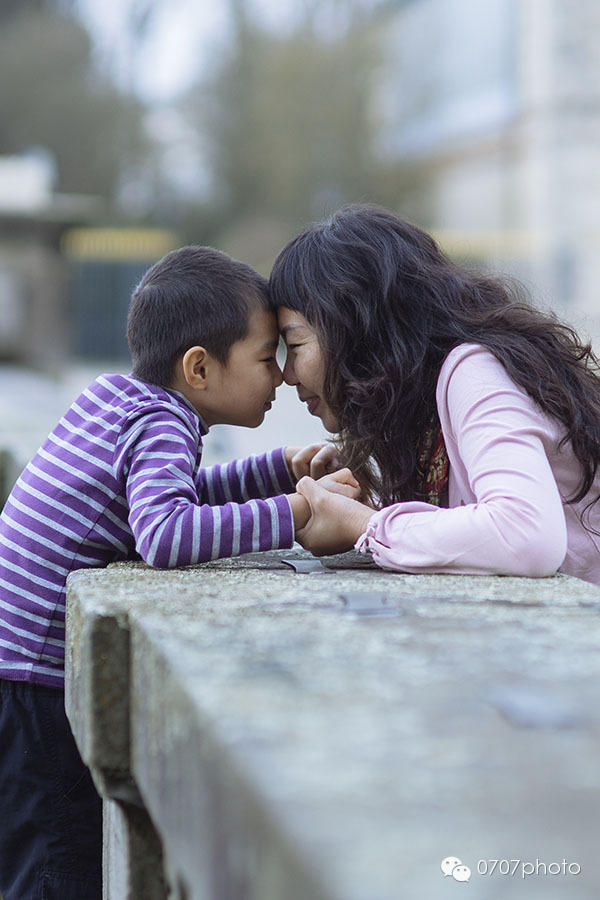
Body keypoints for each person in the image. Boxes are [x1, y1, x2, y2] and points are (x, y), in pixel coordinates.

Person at [0, 245, 354, 900]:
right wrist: (297, 515)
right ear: (198, 368)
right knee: (54, 866)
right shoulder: (162, 422)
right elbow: (165, 534)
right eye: (264, 357)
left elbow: (170, 497)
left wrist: (278, 471)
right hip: (36, 691)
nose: (279, 376)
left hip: (17, 674)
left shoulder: (118, 398)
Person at [270, 203, 600, 585]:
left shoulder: (474, 371)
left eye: (294, 345)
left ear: (356, 331)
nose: (286, 374)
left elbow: (526, 535)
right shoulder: (424, 402)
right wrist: (354, 509)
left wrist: (367, 525)